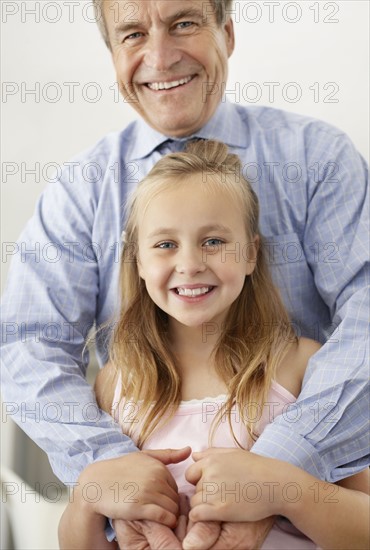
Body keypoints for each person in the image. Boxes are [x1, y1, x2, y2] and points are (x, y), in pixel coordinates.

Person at [1, 0, 369, 547]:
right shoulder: (79, 193)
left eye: (184, 23)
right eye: (131, 34)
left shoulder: (318, 160)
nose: (160, 56)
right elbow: (28, 345)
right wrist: (113, 477)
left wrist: (277, 474)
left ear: (227, 32)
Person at [58, 140, 369, 550]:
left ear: (251, 254)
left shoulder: (303, 366)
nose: (190, 264)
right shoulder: (118, 384)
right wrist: (87, 495)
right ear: (138, 260)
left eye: (214, 242)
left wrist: (285, 490)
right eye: (166, 244)